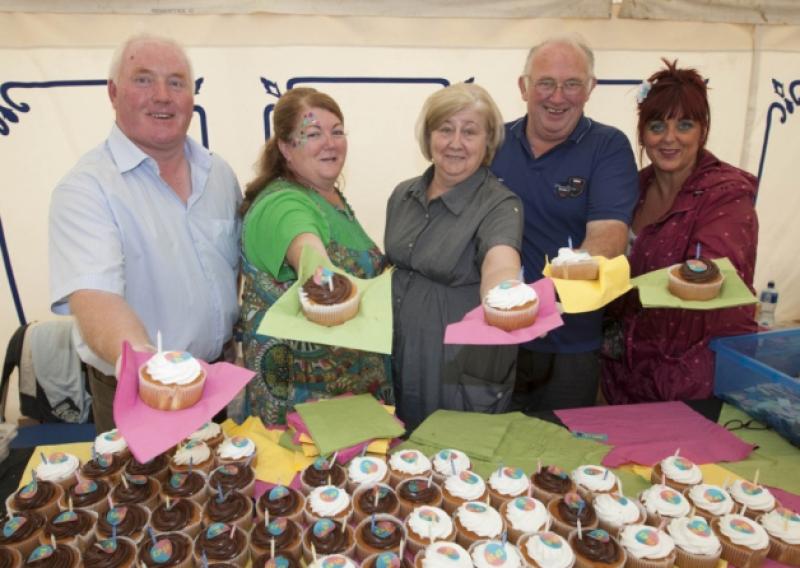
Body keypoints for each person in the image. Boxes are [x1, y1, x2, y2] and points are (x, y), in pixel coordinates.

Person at [49, 35, 241, 432]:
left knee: (221, 491)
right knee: (149, 495)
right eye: (143, 80)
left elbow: (231, 270)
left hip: (216, 380)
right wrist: (149, 370)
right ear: (113, 92)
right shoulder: (85, 189)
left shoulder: (219, 173)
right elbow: (95, 298)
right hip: (138, 390)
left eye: (176, 82)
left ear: (192, 95)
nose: (162, 96)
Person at [491, 35, 639, 412]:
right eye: (546, 83)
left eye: (572, 83)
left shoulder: (608, 147)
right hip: (495, 340)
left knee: (557, 461)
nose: (558, 97)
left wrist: (531, 301)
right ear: (523, 87)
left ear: (590, 88)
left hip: (570, 345)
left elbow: (608, 239)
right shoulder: (492, 144)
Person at [601, 59, 758, 403]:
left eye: (684, 125)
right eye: (657, 126)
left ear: (703, 130)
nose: (669, 139)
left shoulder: (726, 193)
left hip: (695, 379)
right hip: (626, 377)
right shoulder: (633, 189)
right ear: (642, 132)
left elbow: (715, 274)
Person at [238, 87, 394, 426]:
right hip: (305, 411)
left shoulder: (330, 197)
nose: (330, 142)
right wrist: (323, 276)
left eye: (337, 131)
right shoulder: (283, 204)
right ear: (285, 148)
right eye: (312, 134)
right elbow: (308, 251)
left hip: (349, 399)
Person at [386, 82, 524, 431]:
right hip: (402, 354)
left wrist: (505, 296)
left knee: (458, 462)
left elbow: (501, 261)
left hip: (458, 367)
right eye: (445, 129)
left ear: (488, 141)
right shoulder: (402, 194)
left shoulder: (501, 204)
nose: (456, 143)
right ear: (429, 136)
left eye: (470, 132)